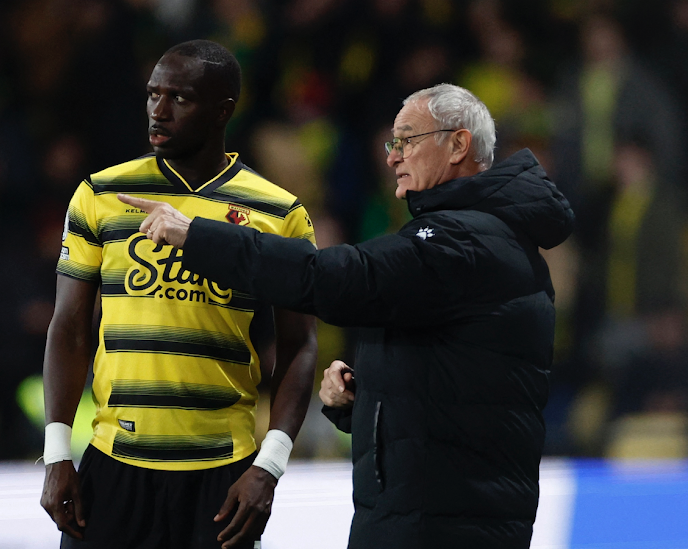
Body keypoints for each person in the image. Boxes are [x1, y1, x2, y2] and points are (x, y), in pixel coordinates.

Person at [118, 83, 575, 548]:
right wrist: (364, 400)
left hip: (443, 527)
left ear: (458, 144)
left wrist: (197, 237)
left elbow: (333, 278)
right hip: (435, 514)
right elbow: (459, 399)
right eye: (391, 144)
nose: (393, 157)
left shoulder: (465, 241)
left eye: (407, 140)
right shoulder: (476, 238)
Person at [40, 40, 318, 549]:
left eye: (180, 99)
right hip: (113, 464)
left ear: (222, 110)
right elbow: (70, 328)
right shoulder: (99, 195)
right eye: (152, 95)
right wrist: (57, 452)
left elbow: (301, 344)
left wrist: (270, 467)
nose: (158, 111)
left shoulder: (279, 213)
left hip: (222, 478)